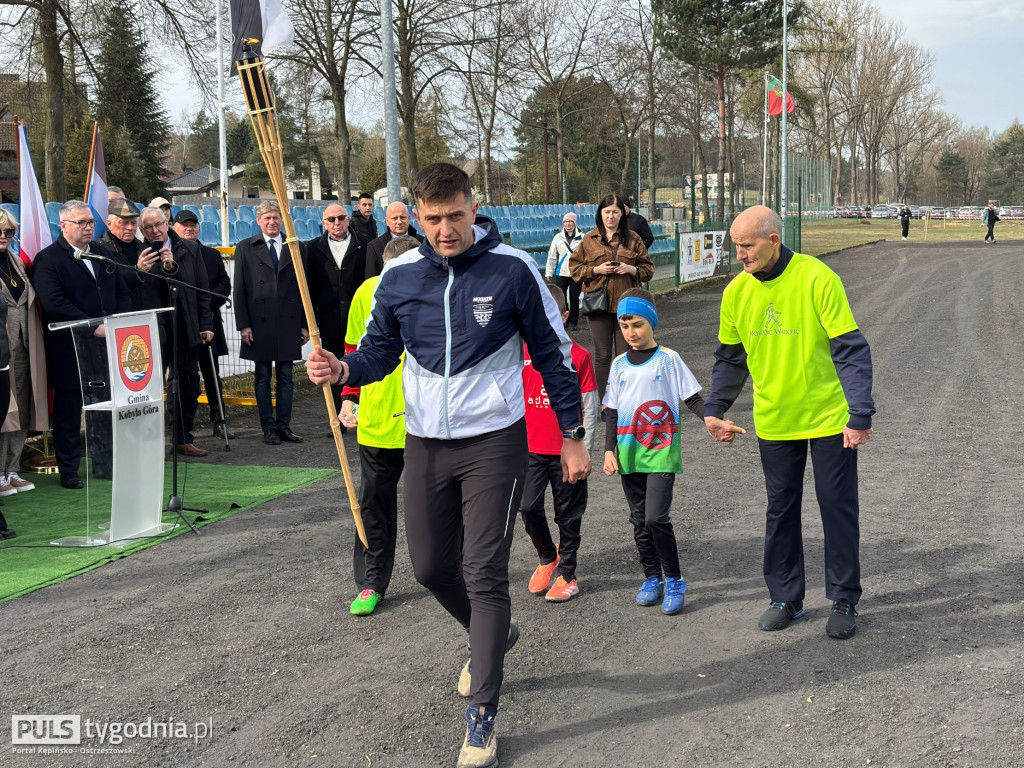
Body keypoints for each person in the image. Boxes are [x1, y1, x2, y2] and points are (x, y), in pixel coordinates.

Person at [306, 162, 590, 768]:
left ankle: (482, 717)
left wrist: (572, 435)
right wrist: (343, 372)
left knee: (484, 572)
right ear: (417, 215)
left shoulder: (513, 270)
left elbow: (556, 357)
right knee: (432, 566)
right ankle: (495, 635)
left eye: (454, 216)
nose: (443, 229)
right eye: (432, 219)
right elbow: (378, 351)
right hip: (426, 442)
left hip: (495, 441)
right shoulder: (400, 275)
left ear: (472, 207)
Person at [703, 205, 874, 640]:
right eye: (735, 246)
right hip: (776, 420)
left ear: (773, 240)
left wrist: (859, 413)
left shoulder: (817, 277)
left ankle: (842, 597)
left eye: (746, 246)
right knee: (780, 510)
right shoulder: (736, 294)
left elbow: (849, 349)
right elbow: (730, 358)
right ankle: (786, 597)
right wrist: (714, 408)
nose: (739, 254)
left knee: (836, 507)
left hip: (829, 417)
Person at [601, 288, 708, 615]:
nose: (631, 333)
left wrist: (712, 420)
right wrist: (608, 450)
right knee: (638, 520)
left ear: (652, 324)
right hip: (628, 453)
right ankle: (652, 578)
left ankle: (674, 580)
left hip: (660, 451)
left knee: (655, 517)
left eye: (637, 325)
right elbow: (611, 410)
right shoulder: (618, 365)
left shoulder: (669, 359)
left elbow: (692, 398)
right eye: (624, 326)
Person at [339, 234, 419, 617]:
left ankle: (453, 573)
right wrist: (348, 398)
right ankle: (372, 582)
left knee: (438, 505)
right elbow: (355, 351)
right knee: (373, 505)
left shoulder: (433, 289)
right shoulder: (365, 294)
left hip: (427, 422)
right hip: (377, 420)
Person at [32, 200, 130, 488]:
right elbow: (54, 303)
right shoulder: (48, 259)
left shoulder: (102, 252)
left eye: (91, 222)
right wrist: (93, 326)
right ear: (63, 226)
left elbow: (121, 291)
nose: (89, 227)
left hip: (106, 343)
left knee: (105, 406)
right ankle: (70, 469)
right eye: (82, 223)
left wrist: (116, 322)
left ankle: (105, 462)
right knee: (70, 409)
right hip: (70, 346)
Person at [519, 283, 598, 603]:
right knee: (527, 507)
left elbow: (590, 407)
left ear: (565, 316)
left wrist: (585, 449)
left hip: (567, 453)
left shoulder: (579, 357)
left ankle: (568, 572)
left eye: (552, 317)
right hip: (530, 451)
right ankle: (546, 557)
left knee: (568, 514)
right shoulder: (519, 354)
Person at [138, 206, 214, 457]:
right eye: (148, 227)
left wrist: (206, 325)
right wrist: (143, 271)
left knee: (189, 385)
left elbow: (202, 289)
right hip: (152, 330)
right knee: (149, 388)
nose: (154, 231)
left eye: (158, 224)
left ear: (167, 221)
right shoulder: (138, 253)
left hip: (185, 326)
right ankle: (149, 442)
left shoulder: (189, 249)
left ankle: (183, 438)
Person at [233, 200, 308, 445]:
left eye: (276, 218)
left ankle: (284, 425)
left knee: (286, 376)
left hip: (288, 321)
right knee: (262, 377)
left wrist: (305, 323)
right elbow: (239, 289)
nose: (272, 222)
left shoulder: (295, 246)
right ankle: (268, 426)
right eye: (267, 218)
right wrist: (244, 324)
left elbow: (305, 288)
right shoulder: (245, 247)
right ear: (258, 221)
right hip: (259, 323)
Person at [569, 194, 655, 402]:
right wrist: (596, 269)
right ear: (600, 214)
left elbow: (648, 270)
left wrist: (630, 269)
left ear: (622, 214)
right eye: (607, 212)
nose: (611, 216)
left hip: (626, 306)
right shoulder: (589, 240)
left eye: (615, 212)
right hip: (597, 304)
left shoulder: (633, 239)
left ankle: (625, 401)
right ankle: (605, 403)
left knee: (624, 355)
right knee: (602, 355)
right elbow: (574, 268)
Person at [172, 209, 234, 439]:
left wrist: (206, 305)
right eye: (184, 225)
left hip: (207, 321)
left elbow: (223, 285)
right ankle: (178, 425)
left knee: (212, 374)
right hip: (181, 325)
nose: (189, 229)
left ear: (198, 228)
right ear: (175, 228)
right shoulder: (170, 253)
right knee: (179, 377)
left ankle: (220, 421)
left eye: (193, 225)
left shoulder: (211, 254)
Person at [0, 210, 47, 500]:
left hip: (25, 346)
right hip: (1, 349)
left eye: (8, 232)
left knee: (22, 411)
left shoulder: (16, 262)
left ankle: (12, 469)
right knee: (4, 412)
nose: (3, 237)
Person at [306, 203, 365, 412]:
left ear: (348, 220)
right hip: (330, 321)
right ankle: (336, 416)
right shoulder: (312, 249)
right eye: (331, 219)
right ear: (324, 223)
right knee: (332, 369)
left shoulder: (365, 246)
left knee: (360, 366)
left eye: (341, 218)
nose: (337, 222)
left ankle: (360, 413)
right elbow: (309, 289)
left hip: (359, 321)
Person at [99, 198, 159, 311]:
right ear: (109, 224)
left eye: (133, 223)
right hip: (122, 319)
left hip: (149, 317)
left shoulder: (144, 248)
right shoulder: (100, 252)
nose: (130, 228)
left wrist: (168, 268)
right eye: (124, 223)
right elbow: (110, 284)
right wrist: (138, 271)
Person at [363, 200, 422, 280]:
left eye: (403, 217)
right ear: (387, 221)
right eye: (394, 218)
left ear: (409, 218)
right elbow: (372, 280)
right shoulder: (374, 247)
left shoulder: (423, 242)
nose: (399, 222)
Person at [545, 212, 584, 330]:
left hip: (576, 272)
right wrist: (549, 272)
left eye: (570, 221)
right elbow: (552, 256)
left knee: (574, 297)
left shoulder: (583, 237)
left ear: (575, 223)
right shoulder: (557, 237)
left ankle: (574, 321)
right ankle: (564, 319)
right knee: (561, 297)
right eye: (566, 222)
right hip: (561, 272)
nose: (568, 224)